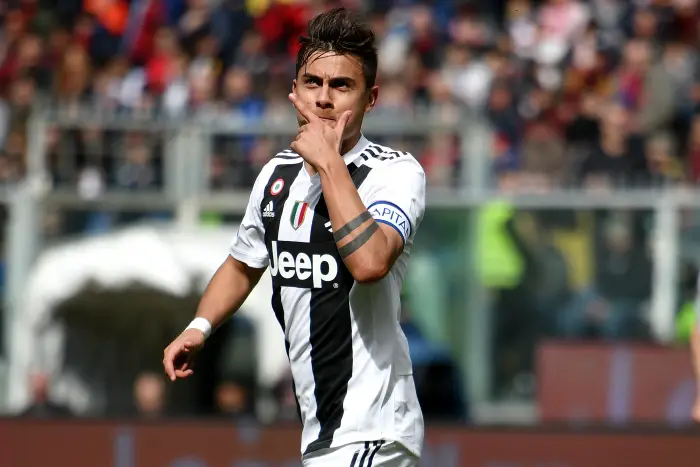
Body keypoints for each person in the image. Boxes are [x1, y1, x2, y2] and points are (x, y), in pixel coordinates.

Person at [162, 7, 426, 467]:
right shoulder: (276, 176)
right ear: (294, 92)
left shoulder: (394, 173)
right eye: (312, 83)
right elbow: (243, 263)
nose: (323, 98)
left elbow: (369, 264)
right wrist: (199, 327)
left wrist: (328, 162)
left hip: (374, 430)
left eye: (341, 85)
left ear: (370, 98)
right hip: (322, 433)